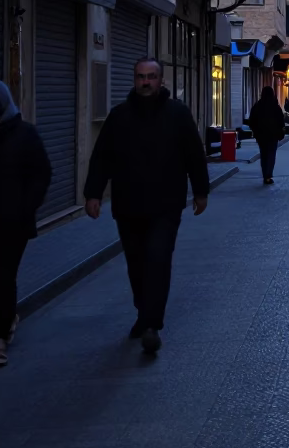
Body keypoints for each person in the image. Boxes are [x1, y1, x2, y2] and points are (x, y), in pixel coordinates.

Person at [83, 58, 209, 355]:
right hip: (128, 205)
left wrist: (200, 191)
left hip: (166, 205)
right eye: (141, 77)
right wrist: (93, 194)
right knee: (137, 264)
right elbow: (102, 157)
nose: (146, 82)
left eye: (151, 76)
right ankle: (144, 311)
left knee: (158, 259)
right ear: (134, 80)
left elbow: (194, 153)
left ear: (161, 80)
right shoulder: (119, 116)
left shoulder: (177, 114)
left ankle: (152, 324)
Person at [0, 80, 51, 368]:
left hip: (13, 223)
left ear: (3, 102)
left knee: (4, 277)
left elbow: (41, 174)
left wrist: (25, 208)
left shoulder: (25, 134)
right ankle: (8, 314)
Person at [247, 86, 285, 184]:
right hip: (273, 135)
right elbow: (281, 120)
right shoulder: (275, 106)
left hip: (261, 135)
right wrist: (280, 130)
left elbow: (251, 121)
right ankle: (269, 174)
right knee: (271, 154)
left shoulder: (257, 106)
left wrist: (256, 131)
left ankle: (265, 175)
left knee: (264, 154)